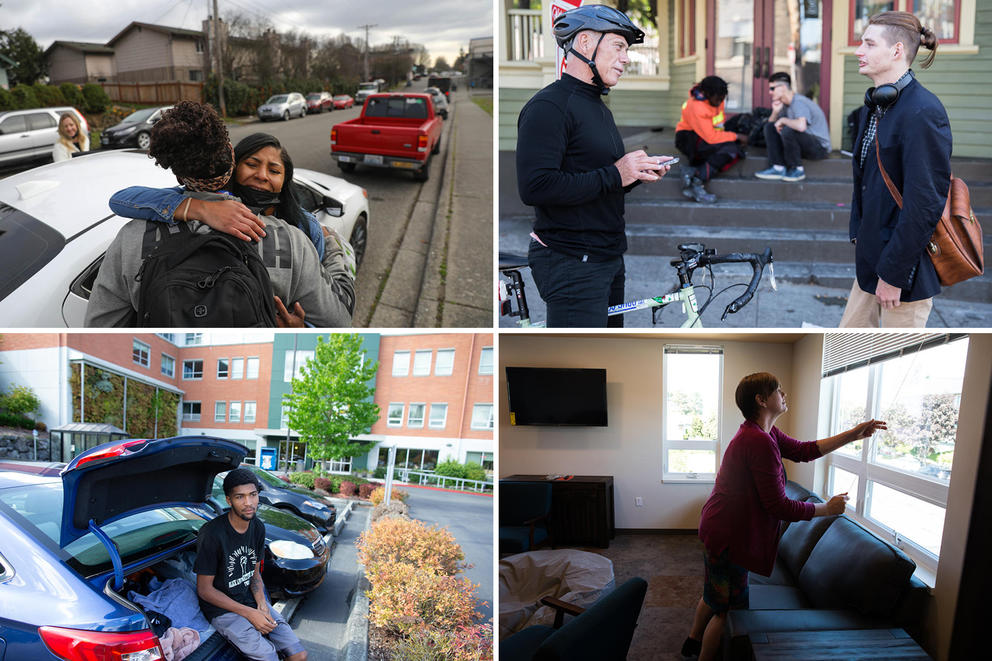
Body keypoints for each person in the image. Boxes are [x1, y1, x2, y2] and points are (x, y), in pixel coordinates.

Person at [85, 101, 354, 327]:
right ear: (232, 159)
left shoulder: (131, 238)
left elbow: (99, 329)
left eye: (273, 170)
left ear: (179, 174)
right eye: (252, 164)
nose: (261, 176)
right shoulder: (294, 241)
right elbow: (338, 321)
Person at [681, 372, 887, 661]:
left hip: (720, 527)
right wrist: (825, 510)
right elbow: (778, 506)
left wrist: (853, 434)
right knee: (726, 609)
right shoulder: (758, 441)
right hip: (729, 535)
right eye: (779, 390)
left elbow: (804, 451)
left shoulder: (765, 433)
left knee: (715, 589)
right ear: (762, 400)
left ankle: (691, 640)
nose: (784, 394)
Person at [516, 3, 672, 328]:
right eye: (619, 46)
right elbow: (536, 187)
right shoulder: (549, 106)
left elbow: (598, 180)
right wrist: (617, 173)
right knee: (581, 365)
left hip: (608, 257)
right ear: (585, 43)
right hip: (572, 262)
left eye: (626, 50)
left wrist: (635, 174)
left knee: (609, 352)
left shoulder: (599, 108)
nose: (626, 58)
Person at [839, 11, 949, 328]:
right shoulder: (875, 106)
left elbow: (925, 203)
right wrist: (858, 233)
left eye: (868, 43)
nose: (859, 51)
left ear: (896, 51)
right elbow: (866, 182)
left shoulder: (923, 111)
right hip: (870, 264)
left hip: (902, 277)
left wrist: (894, 274)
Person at [195, 468, 307, 661]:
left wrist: (262, 604)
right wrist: (250, 614)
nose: (248, 503)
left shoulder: (257, 527)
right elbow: (204, 590)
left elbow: (255, 573)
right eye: (240, 497)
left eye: (252, 495)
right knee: (269, 657)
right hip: (222, 610)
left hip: (250, 599)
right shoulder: (212, 534)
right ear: (229, 500)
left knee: (299, 655)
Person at [675, 76, 746, 203]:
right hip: (687, 139)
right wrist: (735, 136)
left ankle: (691, 171)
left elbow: (717, 128)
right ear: (707, 94)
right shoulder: (697, 106)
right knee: (732, 149)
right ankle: (697, 179)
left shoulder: (717, 98)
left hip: (707, 135)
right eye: (718, 98)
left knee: (738, 134)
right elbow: (711, 137)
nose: (720, 101)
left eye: (723, 98)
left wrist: (730, 137)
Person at [754, 72, 831, 182]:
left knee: (788, 129)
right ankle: (778, 168)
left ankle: (797, 170)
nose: (770, 92)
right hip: (801, 145)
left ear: (783, 87)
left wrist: (783, 120)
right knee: (769, 127)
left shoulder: (798, 102)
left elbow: (801, 126)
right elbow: (772, 126)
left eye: (772, 88)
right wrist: (775, 113)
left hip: (819, 149)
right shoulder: (785, 104)